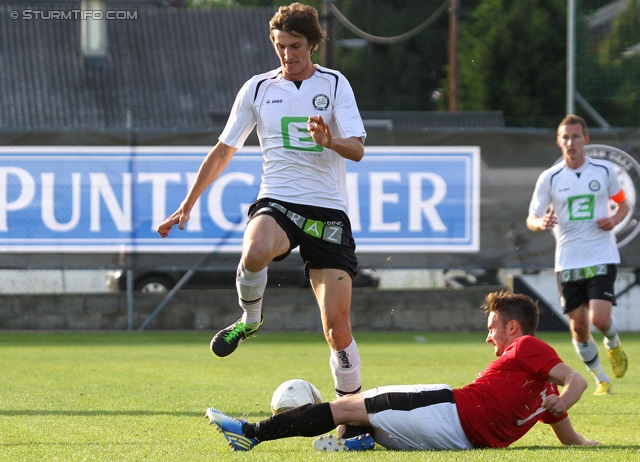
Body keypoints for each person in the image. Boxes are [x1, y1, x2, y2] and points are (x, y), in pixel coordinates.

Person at [157, 2, 367, 433]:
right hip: (278, 201)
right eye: (279, 46)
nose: (287, 54)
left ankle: (352, 415)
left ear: (312, 44)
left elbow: (358, 150)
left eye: (294, 46)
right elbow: (224, 150)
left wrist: (330, 140)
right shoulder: (256, 89)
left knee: (337, 329)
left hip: (328, 212)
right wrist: (188, 202)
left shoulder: (335, 83)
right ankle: (250, 319)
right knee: (253, 250)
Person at [204, 290, 599, 452]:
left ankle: (250, 434)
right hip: (456, 434)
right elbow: (570, 439)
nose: (489, 338)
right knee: (359, 415)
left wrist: (563, 396)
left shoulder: (527, 346)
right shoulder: (541, 393)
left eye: (492, 327)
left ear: (513, 328)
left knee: (348, 405)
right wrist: (590, 442)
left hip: (448, 409)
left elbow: (577, 380)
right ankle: (357, 443)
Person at [526, 114, 629, 396]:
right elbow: (532, 218)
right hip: (568, 259)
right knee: (579, 328)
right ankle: (600, 379)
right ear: (559, 142)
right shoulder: (550, 178)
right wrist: (540, 223)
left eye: (576, 136)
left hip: (601, 254)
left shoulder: (604, 171)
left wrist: (614, 220)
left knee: (599, 319)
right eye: (566, 137)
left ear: (586, 139)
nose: (571, 142)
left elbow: (623, 204)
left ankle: (613, 342)